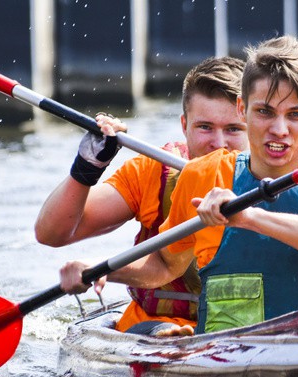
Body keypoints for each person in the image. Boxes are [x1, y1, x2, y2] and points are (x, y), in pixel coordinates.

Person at [60, 36, 298, 334]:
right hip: (221, 351)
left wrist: (248, 217)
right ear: (244, 109)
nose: (280, 129)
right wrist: (102, 269)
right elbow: (163, 265)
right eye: (264, 112)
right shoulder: (203, 174)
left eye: (296, 115)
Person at [36, 57, 248, 335]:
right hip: (157, 327)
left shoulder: (273, 177)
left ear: (253, 125)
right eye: (205, 127)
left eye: (233, 129)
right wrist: (87, 167)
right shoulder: (156, 173)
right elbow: (52, 233)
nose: (218, 144)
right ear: (184, 126)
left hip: (247, 328)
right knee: (161, 333)